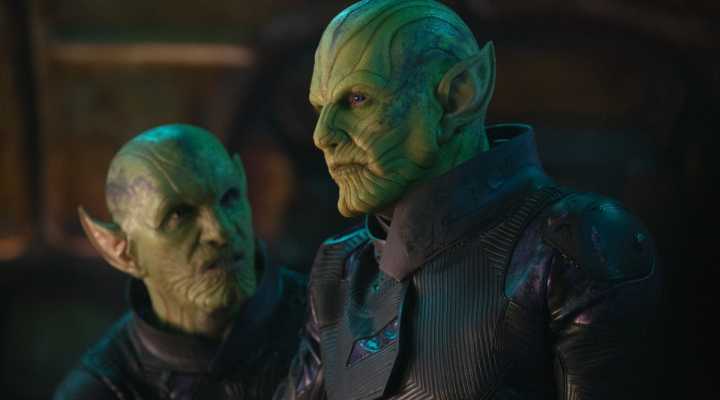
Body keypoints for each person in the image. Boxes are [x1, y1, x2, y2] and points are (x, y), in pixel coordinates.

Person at [276, 0, 660, 399]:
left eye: (357, 99)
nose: (322, 135)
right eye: (319, 108)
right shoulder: (340, 265)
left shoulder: (575, 247)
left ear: (460, 95)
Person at [54, 124, 306, 399]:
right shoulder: (105, 389)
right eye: (178, 215)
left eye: (229, 197)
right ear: (123, 252)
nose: (220, 231)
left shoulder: (326, 316)